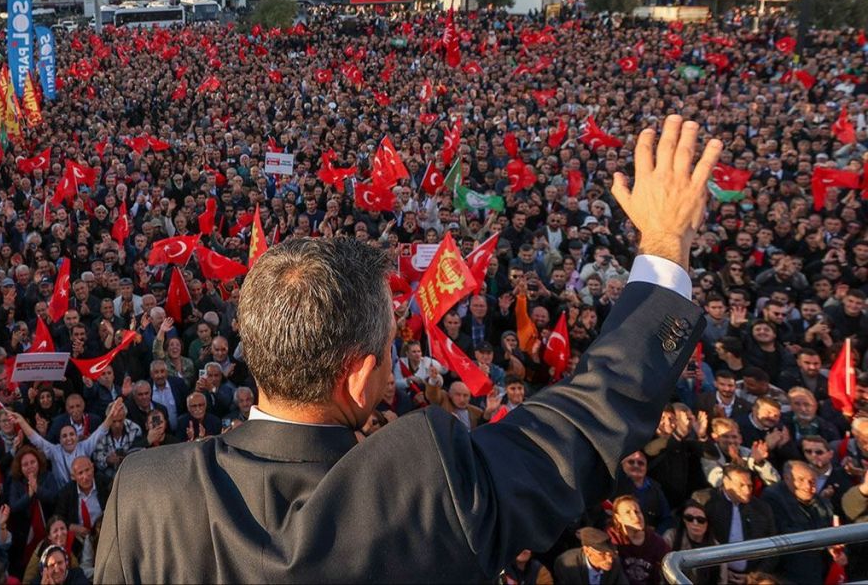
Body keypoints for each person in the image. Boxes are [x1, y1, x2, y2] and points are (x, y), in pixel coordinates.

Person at [95, 115, 719, 582]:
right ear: (362, 376)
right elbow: (590, 418)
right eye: (392, 347)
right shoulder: (431, 483)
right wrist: (665, 242)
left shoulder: (146, 490)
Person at [607, 494, 670, 585]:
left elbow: (670, 567)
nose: (636, 516)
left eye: (637, 511)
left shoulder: (656, 542)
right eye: (628, 512)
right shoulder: (611, 538)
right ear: (618, 518)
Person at [662, 501, 726, 585]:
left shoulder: (716, 549)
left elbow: (722, 580)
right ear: (683, 520)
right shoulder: (670, 538)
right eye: (689, 518)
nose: (695, 523)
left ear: (707, 523)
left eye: (701, 520)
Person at [553, 527, 625, 584]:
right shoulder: (568, 564)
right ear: (587, 551)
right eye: (602, 554)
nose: (610, 560)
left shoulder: (615, 562)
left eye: (611, 554)